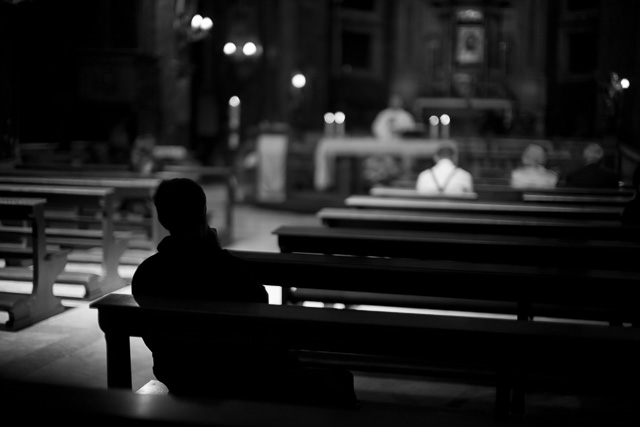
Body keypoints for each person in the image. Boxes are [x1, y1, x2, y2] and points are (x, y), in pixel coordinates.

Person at [131, 178, 358, 407]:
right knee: (338, 380)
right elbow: (260, 307)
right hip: (238, 376)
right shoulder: (232, 270)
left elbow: (152, 336)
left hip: (178, 374)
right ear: (204, 212)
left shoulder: (146, 273)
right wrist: (216, 252)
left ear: (161, 218)